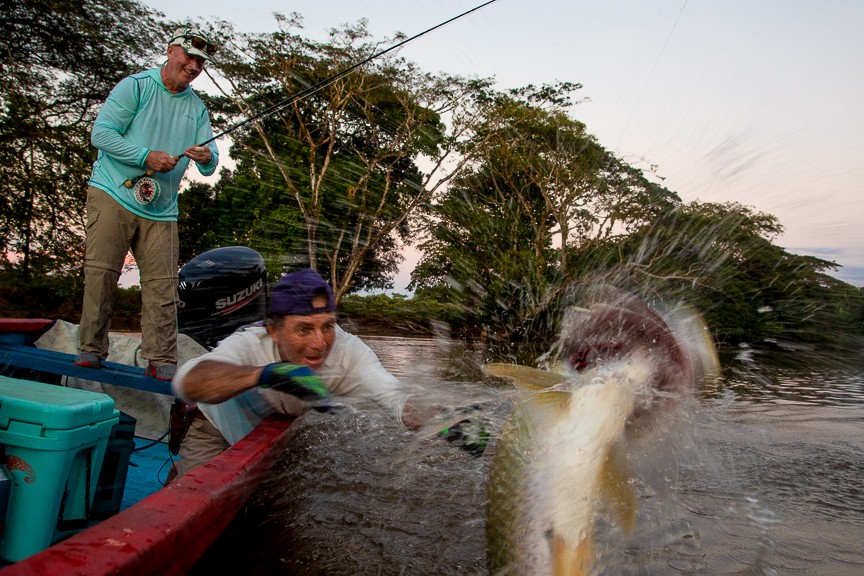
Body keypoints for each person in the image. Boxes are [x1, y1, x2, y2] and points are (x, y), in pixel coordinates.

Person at [169, 268, 426, 479]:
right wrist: (266, 374)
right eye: (304, 329)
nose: (320, 344)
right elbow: (188, 381)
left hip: (267, 430)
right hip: (215, 429)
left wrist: (445, 421)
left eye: (327, 326)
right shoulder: (252, 342)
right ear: (274, 331)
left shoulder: (349, 352)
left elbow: (394, 395)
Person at [74, 26, 220, 381]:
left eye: (200, 61)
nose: (194, 65)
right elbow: (101, 134)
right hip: (112, 191)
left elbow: (212, 163)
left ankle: (162, 359)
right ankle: (90, 350)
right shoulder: (135, 86)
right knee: (101, 274)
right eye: (189, 56)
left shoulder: (198, 109)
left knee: (164, 285)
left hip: (162, 206)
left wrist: (204, 156)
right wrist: (146, 157)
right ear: (171, 51)